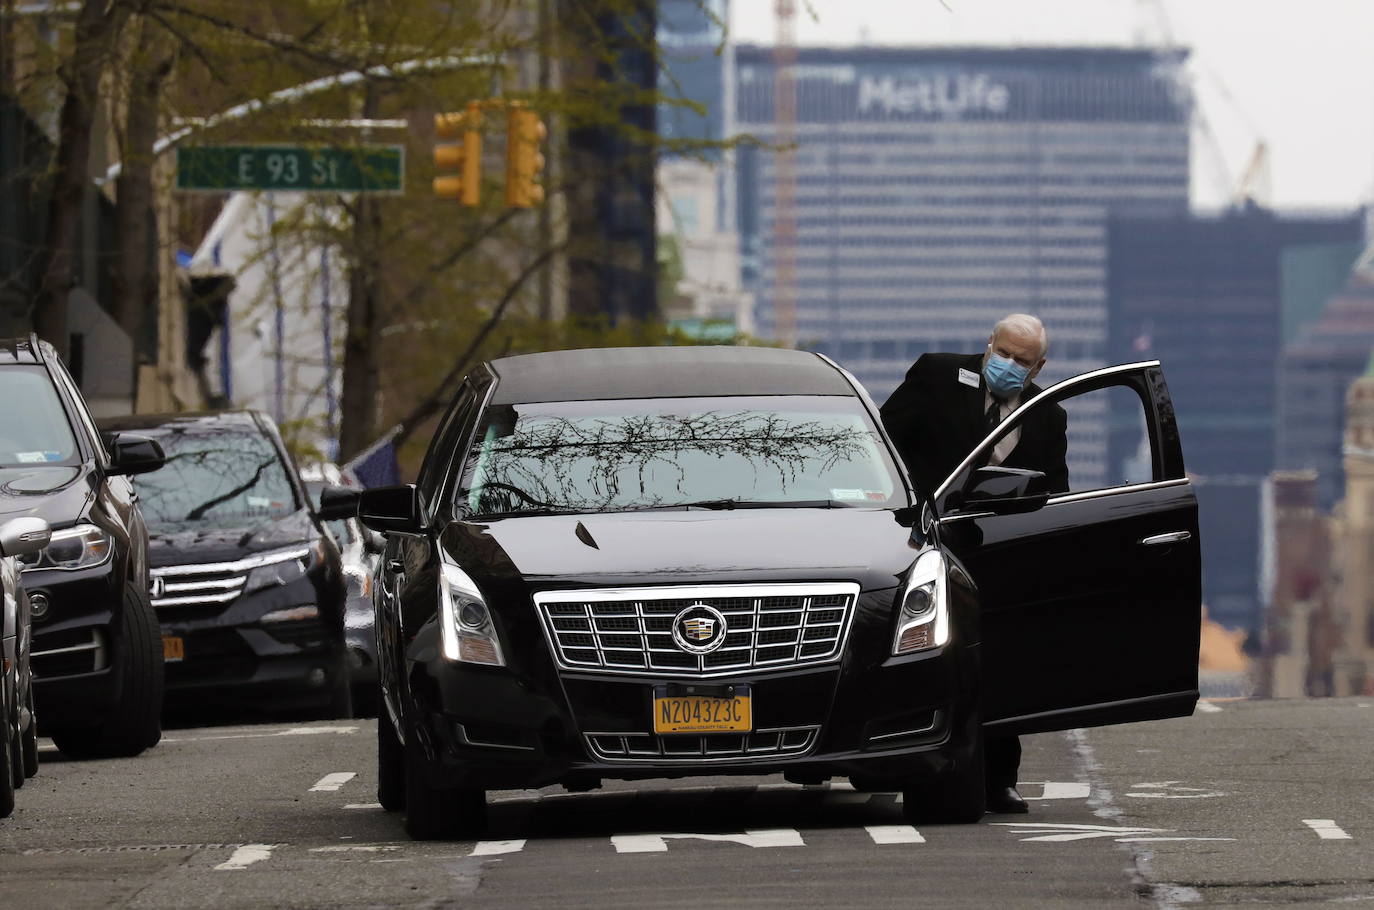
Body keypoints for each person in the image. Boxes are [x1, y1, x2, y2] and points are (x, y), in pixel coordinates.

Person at [878, 313, 1069, 814]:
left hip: (998, 557)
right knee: (927, 658)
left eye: (1021, 362)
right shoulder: (938, 375)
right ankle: (912, 763)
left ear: (1038, 366)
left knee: (1001, 663)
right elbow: (884, 446)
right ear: (988, 345)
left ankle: (1000, 778)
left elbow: (1055, 491)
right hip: (925, 550)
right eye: (1002, 353)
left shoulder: (1047, 415)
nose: (1007, 365)